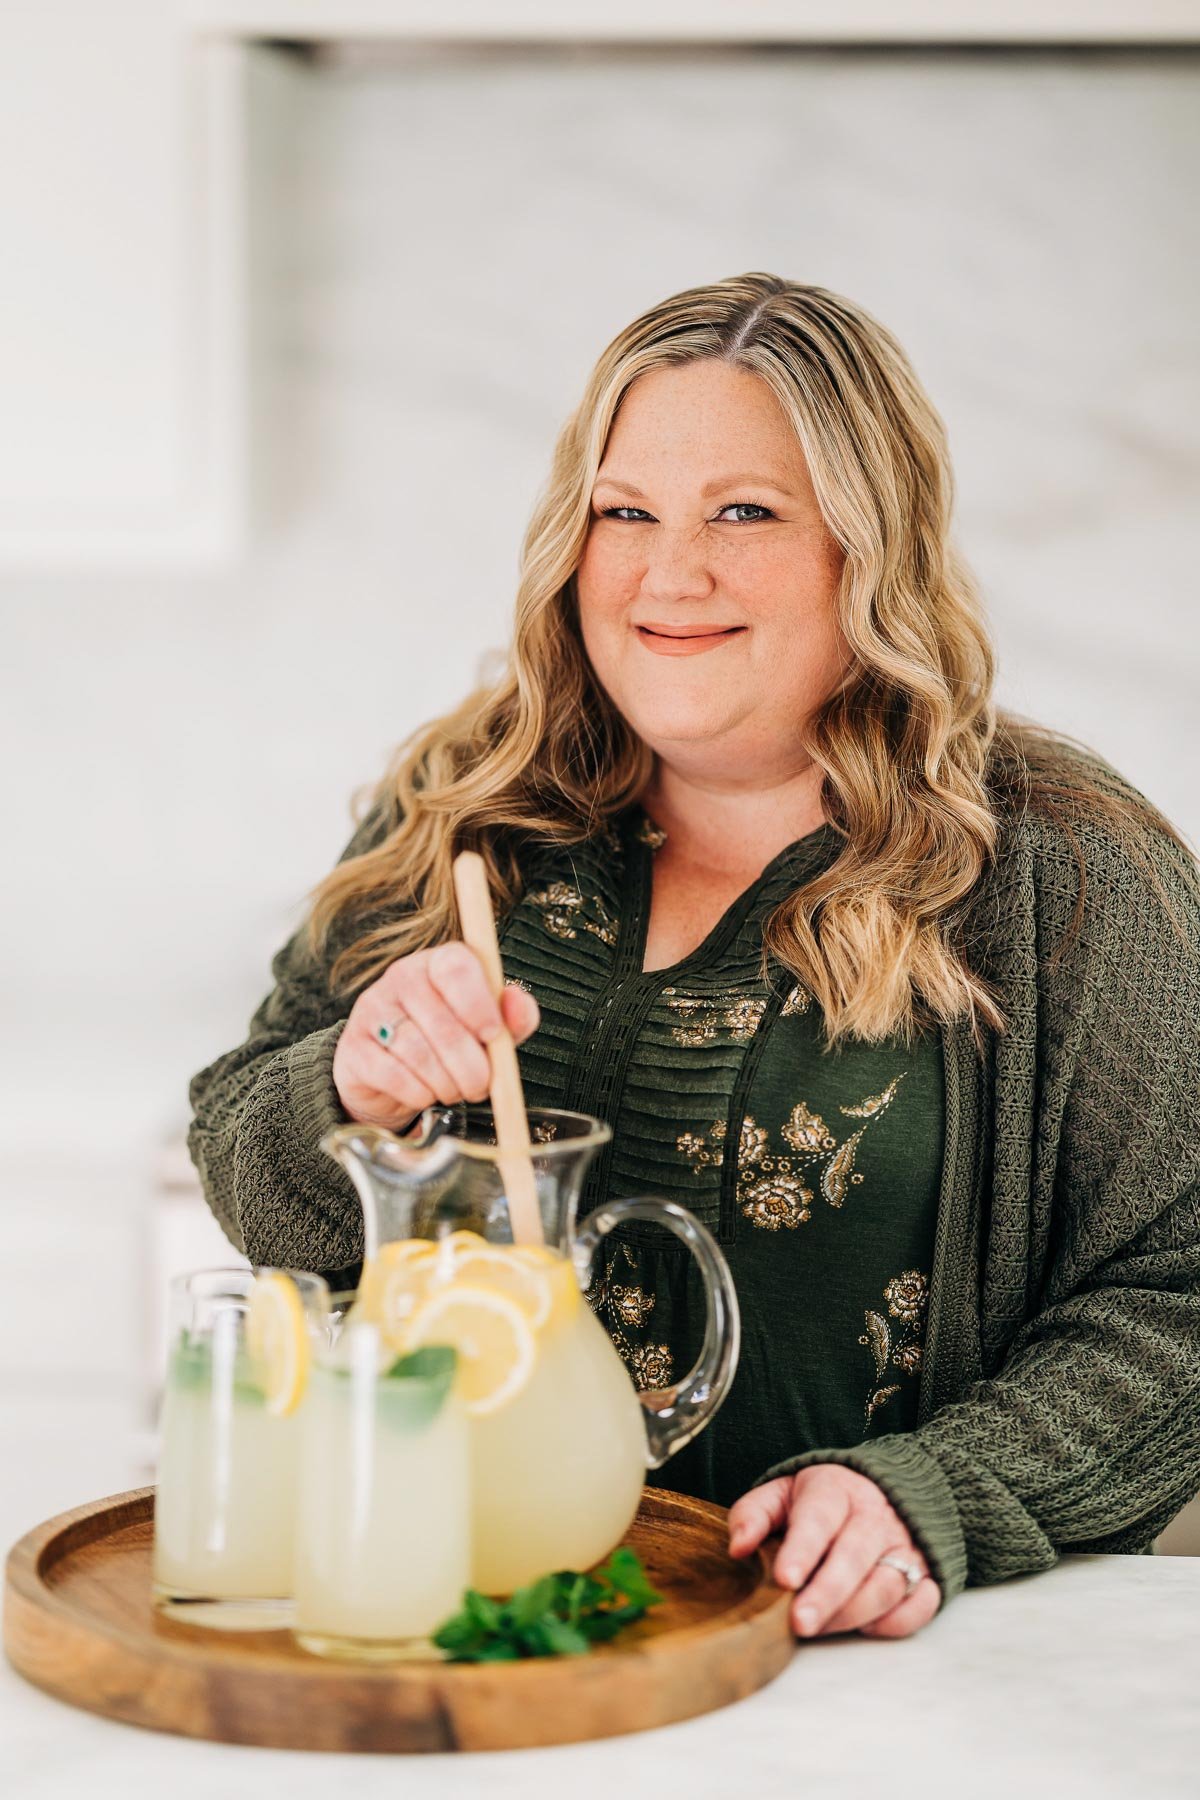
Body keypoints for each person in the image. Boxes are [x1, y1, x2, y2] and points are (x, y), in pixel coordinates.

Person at [188, 273, 1200, 1643]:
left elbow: (1181, 1288)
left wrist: (936, 1495)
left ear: (870, 543)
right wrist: (350, 1081)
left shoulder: (1060, 866)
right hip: (471, 1627)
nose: (671, 574)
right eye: (626, 514)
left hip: (864, 1657)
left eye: (746, 512)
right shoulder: (466, 802)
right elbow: (245, 1148)